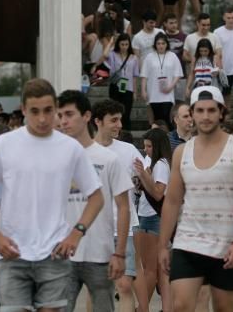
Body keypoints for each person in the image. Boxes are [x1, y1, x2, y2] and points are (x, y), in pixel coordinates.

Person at [0, 78, 103, 312]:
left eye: (47, 110)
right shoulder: (3, 145)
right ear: (24, 109)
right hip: (13, 252)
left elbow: (96, 196)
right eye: (34, 111)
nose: (42, 119)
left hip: (54, 253)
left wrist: (77, 233)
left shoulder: (70, 148)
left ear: (55, 107)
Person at [157, 87, 233, 312]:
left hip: (227, 246)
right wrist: (163, 245)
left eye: (211, 110)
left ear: (221, 112)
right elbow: (172, 201)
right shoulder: (182, 152)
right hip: (188, 241)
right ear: (191, 113)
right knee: (180, 305)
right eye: (199, 110)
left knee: (224, 308)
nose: (205, 116)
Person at [56, 91, 131, 312]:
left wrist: (119, 253)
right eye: (60, 115)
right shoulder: (55, 157)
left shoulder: (108, 158)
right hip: (62, 254)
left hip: (100, 253)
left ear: (87, 116)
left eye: (69, 114)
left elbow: (124, 207)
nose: (63, 121)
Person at [93, 100, 149, 312]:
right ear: (98, 121)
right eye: (113, 120)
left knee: (124, 284)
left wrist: (144, 177)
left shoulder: (129, 150)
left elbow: (147, 182)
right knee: (97, 288)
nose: (119, 125)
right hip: (95, 228)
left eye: (120, 120)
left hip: (124, 227)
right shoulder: (84, 151)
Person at [133, 128, 172, 311]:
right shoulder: (159, 163)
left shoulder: (161, 164)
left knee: (148, 270)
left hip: (151, 217)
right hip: (153, 216)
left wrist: (144, 175)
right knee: (160, 270)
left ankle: (142, 308)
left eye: (149, 146)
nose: (145, 149)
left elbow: (157, 193)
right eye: (144, 146)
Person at [140, 33, 183, 127]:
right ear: (155, 45)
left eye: (163, 43)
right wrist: (143, 90)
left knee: (166, 116)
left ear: (167, 44)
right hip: (153, 92)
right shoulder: (149, 57)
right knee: (157, 118)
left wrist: (171, 86)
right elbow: (144, 75)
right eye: (158, 43)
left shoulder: (172, 56)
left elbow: (178, 74)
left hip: (168, 93)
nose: (161, 46)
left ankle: (168, 138)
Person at [105, 32, 140, 123]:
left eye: (126, 44)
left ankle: (125, 134)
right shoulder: (113, 54)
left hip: (128, 88)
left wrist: (135, 92)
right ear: (118, 44)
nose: (124, 47)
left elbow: (135, 76)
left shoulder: (134, 58)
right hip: (115, 86)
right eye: (122, 44)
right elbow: (105, 55)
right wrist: (111, 42)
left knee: (126, 113)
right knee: (114, 113)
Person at [162, 15, 187, 100]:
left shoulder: (184, 37)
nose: (174, 25)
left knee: (179, 102)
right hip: (164, 75)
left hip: (180, 75)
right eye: (171, 23)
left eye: (175, 22)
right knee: (165, 102)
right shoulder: (161, 37)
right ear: (165, 24)